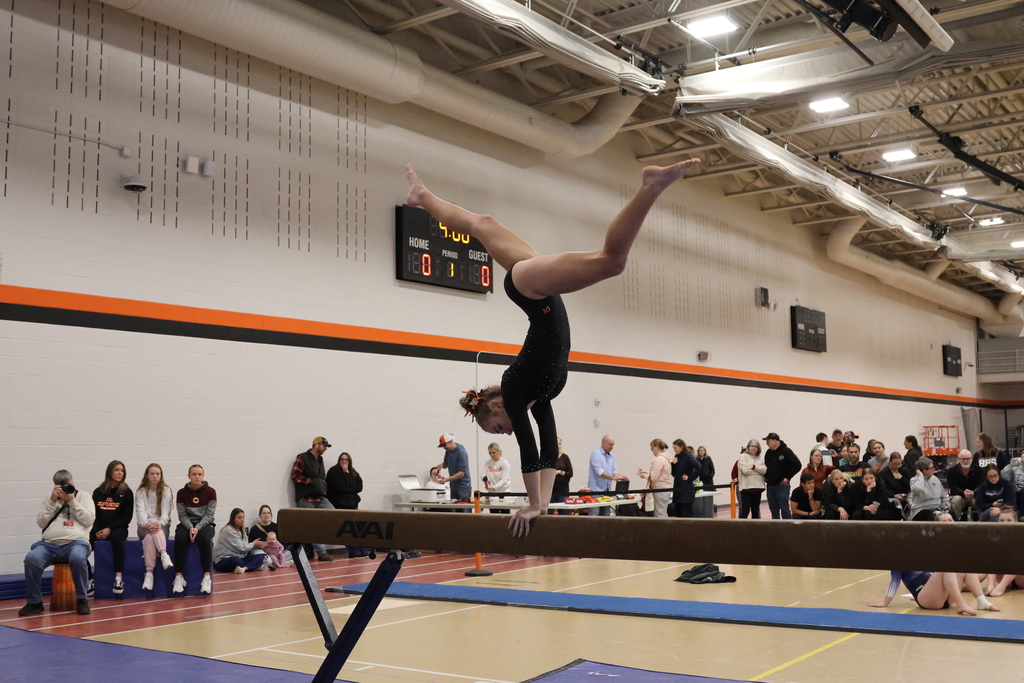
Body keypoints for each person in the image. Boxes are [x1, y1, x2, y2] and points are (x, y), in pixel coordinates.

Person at [412, 160, 703, 537]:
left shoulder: (516, 389)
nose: (504, 433)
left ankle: (651, 186)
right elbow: (548, 448)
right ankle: (422, 196)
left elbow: (529, 453)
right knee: (479, 223)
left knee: (611, 262)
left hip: (532, 291)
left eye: (498, 428)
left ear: (497, 406)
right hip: (532, 283)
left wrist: (533, 504)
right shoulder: (540, 398)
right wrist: (543, 506)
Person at [19, 470, 96, 617]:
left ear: (73, 482)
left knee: (78, 558)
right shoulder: (50, 499)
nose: (67, 488)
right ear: (56, 486)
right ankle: (34, 602)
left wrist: (72, 500)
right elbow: (41, 523)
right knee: (31, 559)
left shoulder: (84, 496)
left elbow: (89, 520)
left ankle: (81, 600)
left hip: (76, 543)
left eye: (70, 484)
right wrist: (52, 501)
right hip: (49, 544)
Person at [90, 460, 134, 595]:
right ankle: (88, 578)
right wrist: (97, 530)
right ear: (110, 472)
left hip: (118, 527)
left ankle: (118, 578)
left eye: (122, 471)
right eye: (117, 470)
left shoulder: (126, 492)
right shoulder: (98, 492)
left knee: (116, 538)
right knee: (84, 539)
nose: (120, 473)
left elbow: (126, 518)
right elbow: (94, 515)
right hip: (100, 526)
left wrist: (109, 529)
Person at [870, 570, 998, 615]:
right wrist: (885, 602)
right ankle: (961, 604)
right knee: (946, 567)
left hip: (938, 596)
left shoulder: (921, 553)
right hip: (926, 600)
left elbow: (932, 577)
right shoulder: (898, 558)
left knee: (961, 565)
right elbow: (895, 581)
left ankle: (982, 601)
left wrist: (932, 590)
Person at [173, 464, 217, 594]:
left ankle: (206, 577)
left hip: (204, 524)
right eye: (194, 474)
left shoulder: (211, 492)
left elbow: (209, 515)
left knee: (204, 538)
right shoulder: (181, 493)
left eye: (199, 474)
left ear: (203, 476)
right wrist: (190, 527)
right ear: (189, 476)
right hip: (187, 524)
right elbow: (182, 514)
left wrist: (197, 528)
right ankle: (179, 577)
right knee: (180, 538)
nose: (197, 477)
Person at [291, 436, 335, 562]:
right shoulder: (302, 457)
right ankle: (321, 552)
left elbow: (322, 477)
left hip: (319, 497)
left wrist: (321, 485)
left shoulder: (320, 459)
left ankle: (316, 541)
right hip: (305, 497)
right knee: (313, 524)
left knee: (334, 513)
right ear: (316, 445)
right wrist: (311, 482)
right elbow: (295, 475)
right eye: (324, 445)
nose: (325, 448)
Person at [135, 463, 175, 591]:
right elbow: (140, 512)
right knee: (148, 529)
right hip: (144, 527)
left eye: (157, 474)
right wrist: (148, 523)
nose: (155, 476)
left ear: (161, 476)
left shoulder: (166, 490)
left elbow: (166, 512)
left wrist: (159, 523)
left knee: (148, 539)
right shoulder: (141, 492)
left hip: (161, 527)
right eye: (152, 474)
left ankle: (149, 573)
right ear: (147, 475)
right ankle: (163, 554)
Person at [327, 451, 369, 555]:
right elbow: (339, 487)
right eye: (342, 459)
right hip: (341, 505)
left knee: (357, 528)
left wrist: (349, 488)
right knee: (346, 530)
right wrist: (345, 474)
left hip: (353, 504)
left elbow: (359, 487)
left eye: (346, 460)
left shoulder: (353, 472)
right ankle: (353, 550)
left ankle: (362, 549)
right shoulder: (334, 471)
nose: (344, 462)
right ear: (339, 461)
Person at [213, 508, 269, 573]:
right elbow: (241, 548)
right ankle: (253, 566)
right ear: (233, 519)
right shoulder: (228, 530)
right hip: (225, 559)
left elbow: (245, 548)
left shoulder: (242, 531)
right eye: (239, 518)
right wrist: (253, 544)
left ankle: (244, 568)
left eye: (243, 517)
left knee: (262, 556)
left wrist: (255, 546)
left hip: (241, 558)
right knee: (235, 560)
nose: (242, 520)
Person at [985, 508, 1024, 597]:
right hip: (1004, 576)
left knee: (1018, 555)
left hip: (1021, 578)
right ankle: (991, 585)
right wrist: (991, 584)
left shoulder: (1021, 536)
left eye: (1009, 520)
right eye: (1002, 520)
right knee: (991, 556)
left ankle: (1001, 586)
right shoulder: (996, 539)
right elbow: (991, 562)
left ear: (1016, 522)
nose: (1005, 522)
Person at [588, 435, 629, 516]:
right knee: (594, 513)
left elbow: (615, 471)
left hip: (607, 490)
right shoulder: (595, 454)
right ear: (603, 443)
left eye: (613, 444)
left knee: (606, 514)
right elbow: (600, 472)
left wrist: (621, 477)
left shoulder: (613, 456)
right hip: (596, 490)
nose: (612, 447)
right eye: (610, 444)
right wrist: (613, 478)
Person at [763, 433, 800, 520]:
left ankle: (788, 527)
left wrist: (788, 477)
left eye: (768, 441)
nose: (767, 443)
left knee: (784, 508)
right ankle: (776, 529)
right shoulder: (768, 453)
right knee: (773, 509)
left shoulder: (786, 451)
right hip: (770, 484)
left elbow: (797, 464)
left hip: (782, 485)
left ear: (776, 441)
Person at [637, 439, 673, 518]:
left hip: (659, 489)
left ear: (656, 447)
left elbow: (653, 478)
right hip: (666, 489)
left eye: (652, 448)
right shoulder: (666, 458)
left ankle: (662, 529)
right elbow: (659, 474)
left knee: (659, 513)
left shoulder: (659, 459)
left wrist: (644, 476)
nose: (651, 450)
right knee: (663, 511)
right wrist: (646, 472)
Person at [946, 449, 984, 521]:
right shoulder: (951, 471)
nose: (965, 461)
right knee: (957, 500)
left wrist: (974, 493)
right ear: (958, 459)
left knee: (980, 498)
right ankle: (955, 522)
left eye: (967, 459)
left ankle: (982, 522)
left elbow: (981, 486)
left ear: (972, 459)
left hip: (974, 497)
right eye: (963, 459)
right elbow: (953, 487)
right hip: (959, 496)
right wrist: (963, 493)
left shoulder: (979, 470)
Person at [436, 433, 472, 503]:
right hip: (453, 485)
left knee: (464, 509)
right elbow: (446, 464)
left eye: (444, 445)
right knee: (455, 508)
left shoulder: (461, 453)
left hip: (463, 486)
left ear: (450, 442)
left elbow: (461, 473)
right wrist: (441, 465)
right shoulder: (448, 451)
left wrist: (447, 479)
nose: (444, 448)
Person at [735, 439, 767, 519]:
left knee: (755, 511)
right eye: (752, 446)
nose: (754, 448)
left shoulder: (760, 457)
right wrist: (758, 470)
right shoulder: (742, 457)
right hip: (747, 487)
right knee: (745, 510)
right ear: (748, 447)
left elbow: (764, 471)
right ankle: (742, 529)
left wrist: (754, 467)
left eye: (756, 446)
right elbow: (745, 470)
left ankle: (755, 530)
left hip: (758, 487)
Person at [671, 439, 702, 518]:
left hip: (686, 491)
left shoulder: (688, 456)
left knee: (686, 515)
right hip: (677, 490)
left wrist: (690, 478)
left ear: (681, 447)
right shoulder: (677, 457)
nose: (674, 450)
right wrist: (673, 464)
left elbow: (699, 467)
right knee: (678, 515)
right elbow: (674, 474)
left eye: (675, 448)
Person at [878, 451, 911, 517]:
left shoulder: (904, 470)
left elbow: (910, 486)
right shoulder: (884, 473)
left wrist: (902, 478)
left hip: (905, 495)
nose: (897, 466)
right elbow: (881, 489)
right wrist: (893, 495)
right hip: (891, 496)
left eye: (899, 464)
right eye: (895, 464)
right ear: (890, 462)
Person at [483, 443, 512, 514]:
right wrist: (486, 481)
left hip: (504, 491)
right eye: (490, 453)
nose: (491, 455)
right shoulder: (488, 463)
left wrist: (495, 487)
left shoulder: (505, 463)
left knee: (504, 513)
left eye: (493, 452)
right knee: (494, 512)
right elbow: (483, 474)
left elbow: (504, 479)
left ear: (498, 451)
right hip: (493, 492)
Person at [551, 437, 573, 510]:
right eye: (556, 444)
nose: (558, 445)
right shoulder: (549, 458)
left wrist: (560, 472)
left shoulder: (565, 457)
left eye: (560, 444)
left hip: (563, 489)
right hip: (550, 489)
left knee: (563, 511)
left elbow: (570, 473)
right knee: (549, 511)